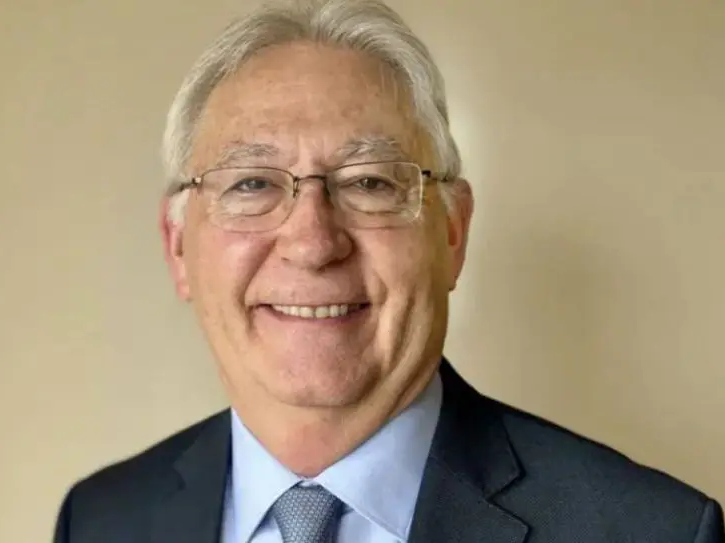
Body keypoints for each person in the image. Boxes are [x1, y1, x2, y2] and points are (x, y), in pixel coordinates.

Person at [53, 0, 724, 541]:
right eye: (252, 183)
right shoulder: (101, 521)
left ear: (453, 232)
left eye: (370, 182)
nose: (313, 242)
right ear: (177, 246)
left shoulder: (650, 530)